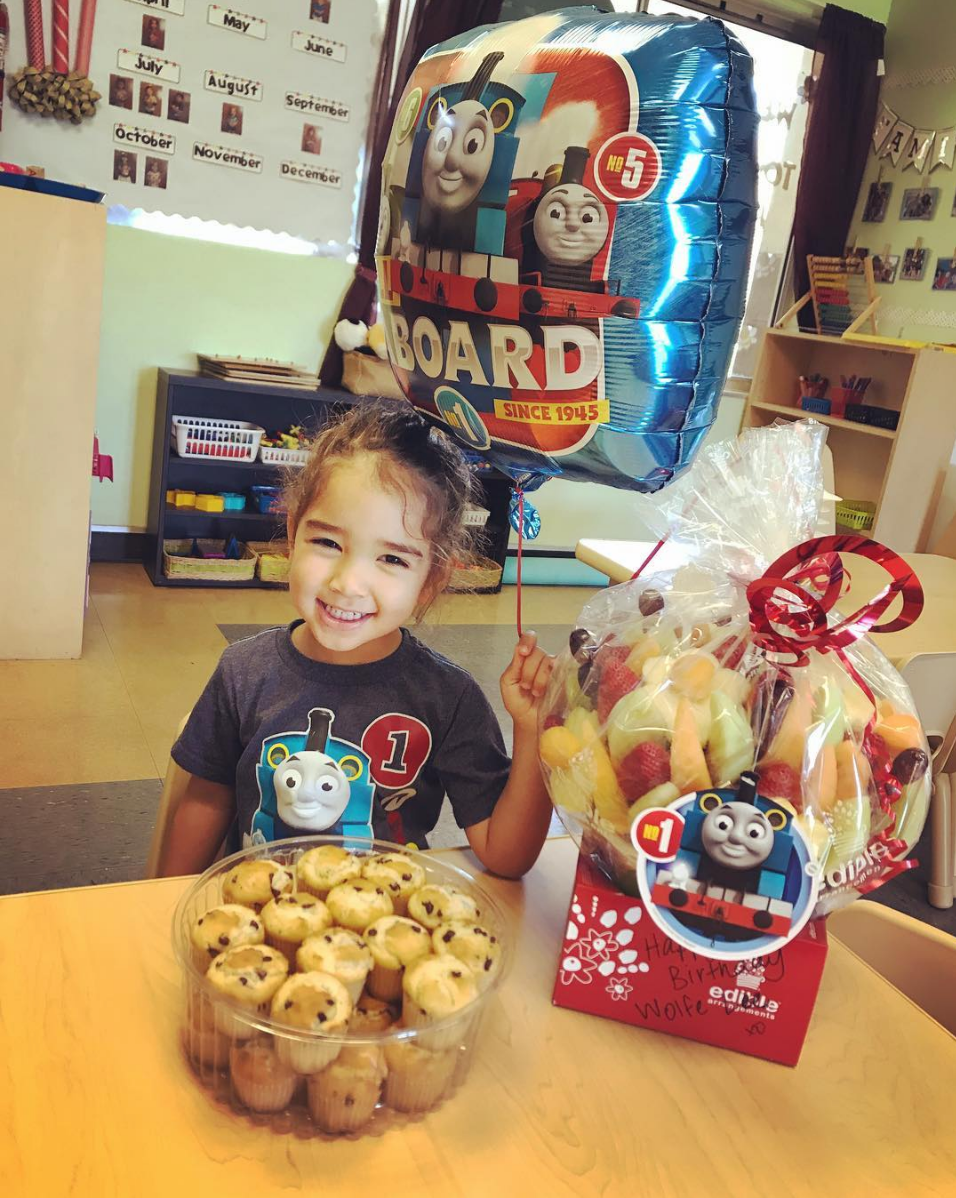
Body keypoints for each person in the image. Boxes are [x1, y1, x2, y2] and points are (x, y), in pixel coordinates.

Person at [157, 401, 555, 879]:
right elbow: (207, 800)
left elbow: (506, 856)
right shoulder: (242, 672)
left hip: (384, 914)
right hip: (263, 909)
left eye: (392, 559)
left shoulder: (449, 700)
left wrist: (532, 729)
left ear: (431, 580)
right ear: (293, 534)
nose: (347, 583)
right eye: (328, 543)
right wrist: (164, 902)